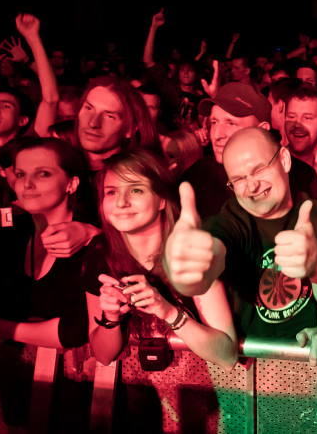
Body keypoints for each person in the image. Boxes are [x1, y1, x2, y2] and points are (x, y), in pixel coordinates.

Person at [165, 127, 317, 349]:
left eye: (259, 169)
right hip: (252, 372)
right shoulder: (229, 222)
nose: (252, 185)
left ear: (284, 160)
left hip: (316, 368)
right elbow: (211, 257)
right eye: (239, 179)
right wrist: (188, 272)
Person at [84, 149, 237, 368]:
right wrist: (110, 318)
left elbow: (226, 355)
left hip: (212, 387)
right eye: (111, 192)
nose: (121, 202)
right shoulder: (100, 254)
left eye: (136, 190)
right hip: (143, 391)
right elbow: (103, 355)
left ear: (162, 200)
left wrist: (168, 311)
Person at [0, 137, 95, 348]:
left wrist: (2, 327)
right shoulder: (5, 234)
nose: (27, 184)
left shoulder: (91, 238)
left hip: (76, 375)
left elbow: (74, 331)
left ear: (71, 183)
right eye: (20, 174)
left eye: (43, 173)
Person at [181, 83, 317, 219]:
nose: (217, 134)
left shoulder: (302, 177)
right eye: (214, 122)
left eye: (231, 123)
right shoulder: (196, 177)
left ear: (262, 129)